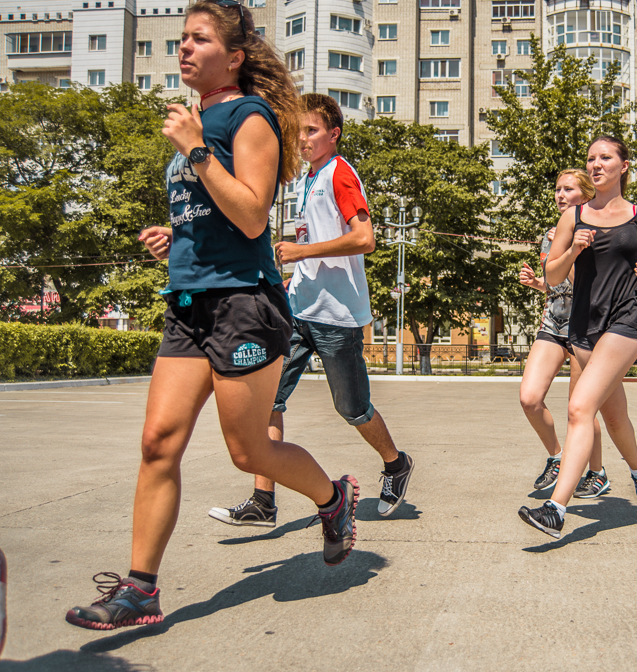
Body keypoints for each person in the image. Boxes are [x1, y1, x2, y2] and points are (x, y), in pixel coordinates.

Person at [66, 1, 358, 631]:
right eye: (181, 39)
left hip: (243, 304)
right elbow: (214, 214)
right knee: (157, 443)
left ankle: (333, 501)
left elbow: (253, 215)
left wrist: (197, 150)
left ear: (234, 56)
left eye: (199, 39)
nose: (184, 48)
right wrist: (177, 234)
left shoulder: (247, 119)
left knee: (247, 449)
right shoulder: (197, 123)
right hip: (190, 302)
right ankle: (140, 589)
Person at [207, 93, 413, 527]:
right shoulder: (305, 180)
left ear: (333, 134)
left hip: (336, 315)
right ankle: (264, 502)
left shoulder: (339, 173)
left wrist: (302, 252)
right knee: (269, 401)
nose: (302, 139)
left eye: (312, 130)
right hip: (298, 309)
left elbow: (365, 239)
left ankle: (396, 465)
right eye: (297, 131)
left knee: (353, 409)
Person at [518, 136, 637, 539]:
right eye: (591, 159)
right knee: (613, 414)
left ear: (623, 166)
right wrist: (572, 252)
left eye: (606, 158)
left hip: (626, 319)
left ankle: (556, 509)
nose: (597, 164)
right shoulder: (574, 217)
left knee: (580, 407)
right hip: (584, 324)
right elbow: (552, 276)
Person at [518, 169, 608, 499]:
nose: (559, 195)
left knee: (579, 408)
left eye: (567, 189)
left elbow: (595, 284)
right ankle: (558, 456)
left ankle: (597, 473)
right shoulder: (550, 234)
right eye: (557, 189)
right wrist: (538, 283)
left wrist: (573, 245)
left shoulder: (603, 231)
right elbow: (558, 282)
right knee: (529, 398)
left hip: (587, 328)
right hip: (554, 323)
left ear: (585, 195)